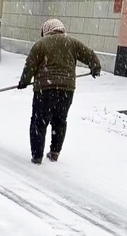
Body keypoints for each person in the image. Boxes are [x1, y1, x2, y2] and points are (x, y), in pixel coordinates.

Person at [17, 18, 101, 164]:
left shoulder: (41, 44)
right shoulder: (72, 43)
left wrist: (24, 82)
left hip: (45, 90)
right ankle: (55, 152)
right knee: (60, 121)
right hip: (66, 90)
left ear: (46, 30)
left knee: (39, 122)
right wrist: (95, 67)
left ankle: (37, 155)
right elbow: (90, 55)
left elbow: (30, 65)